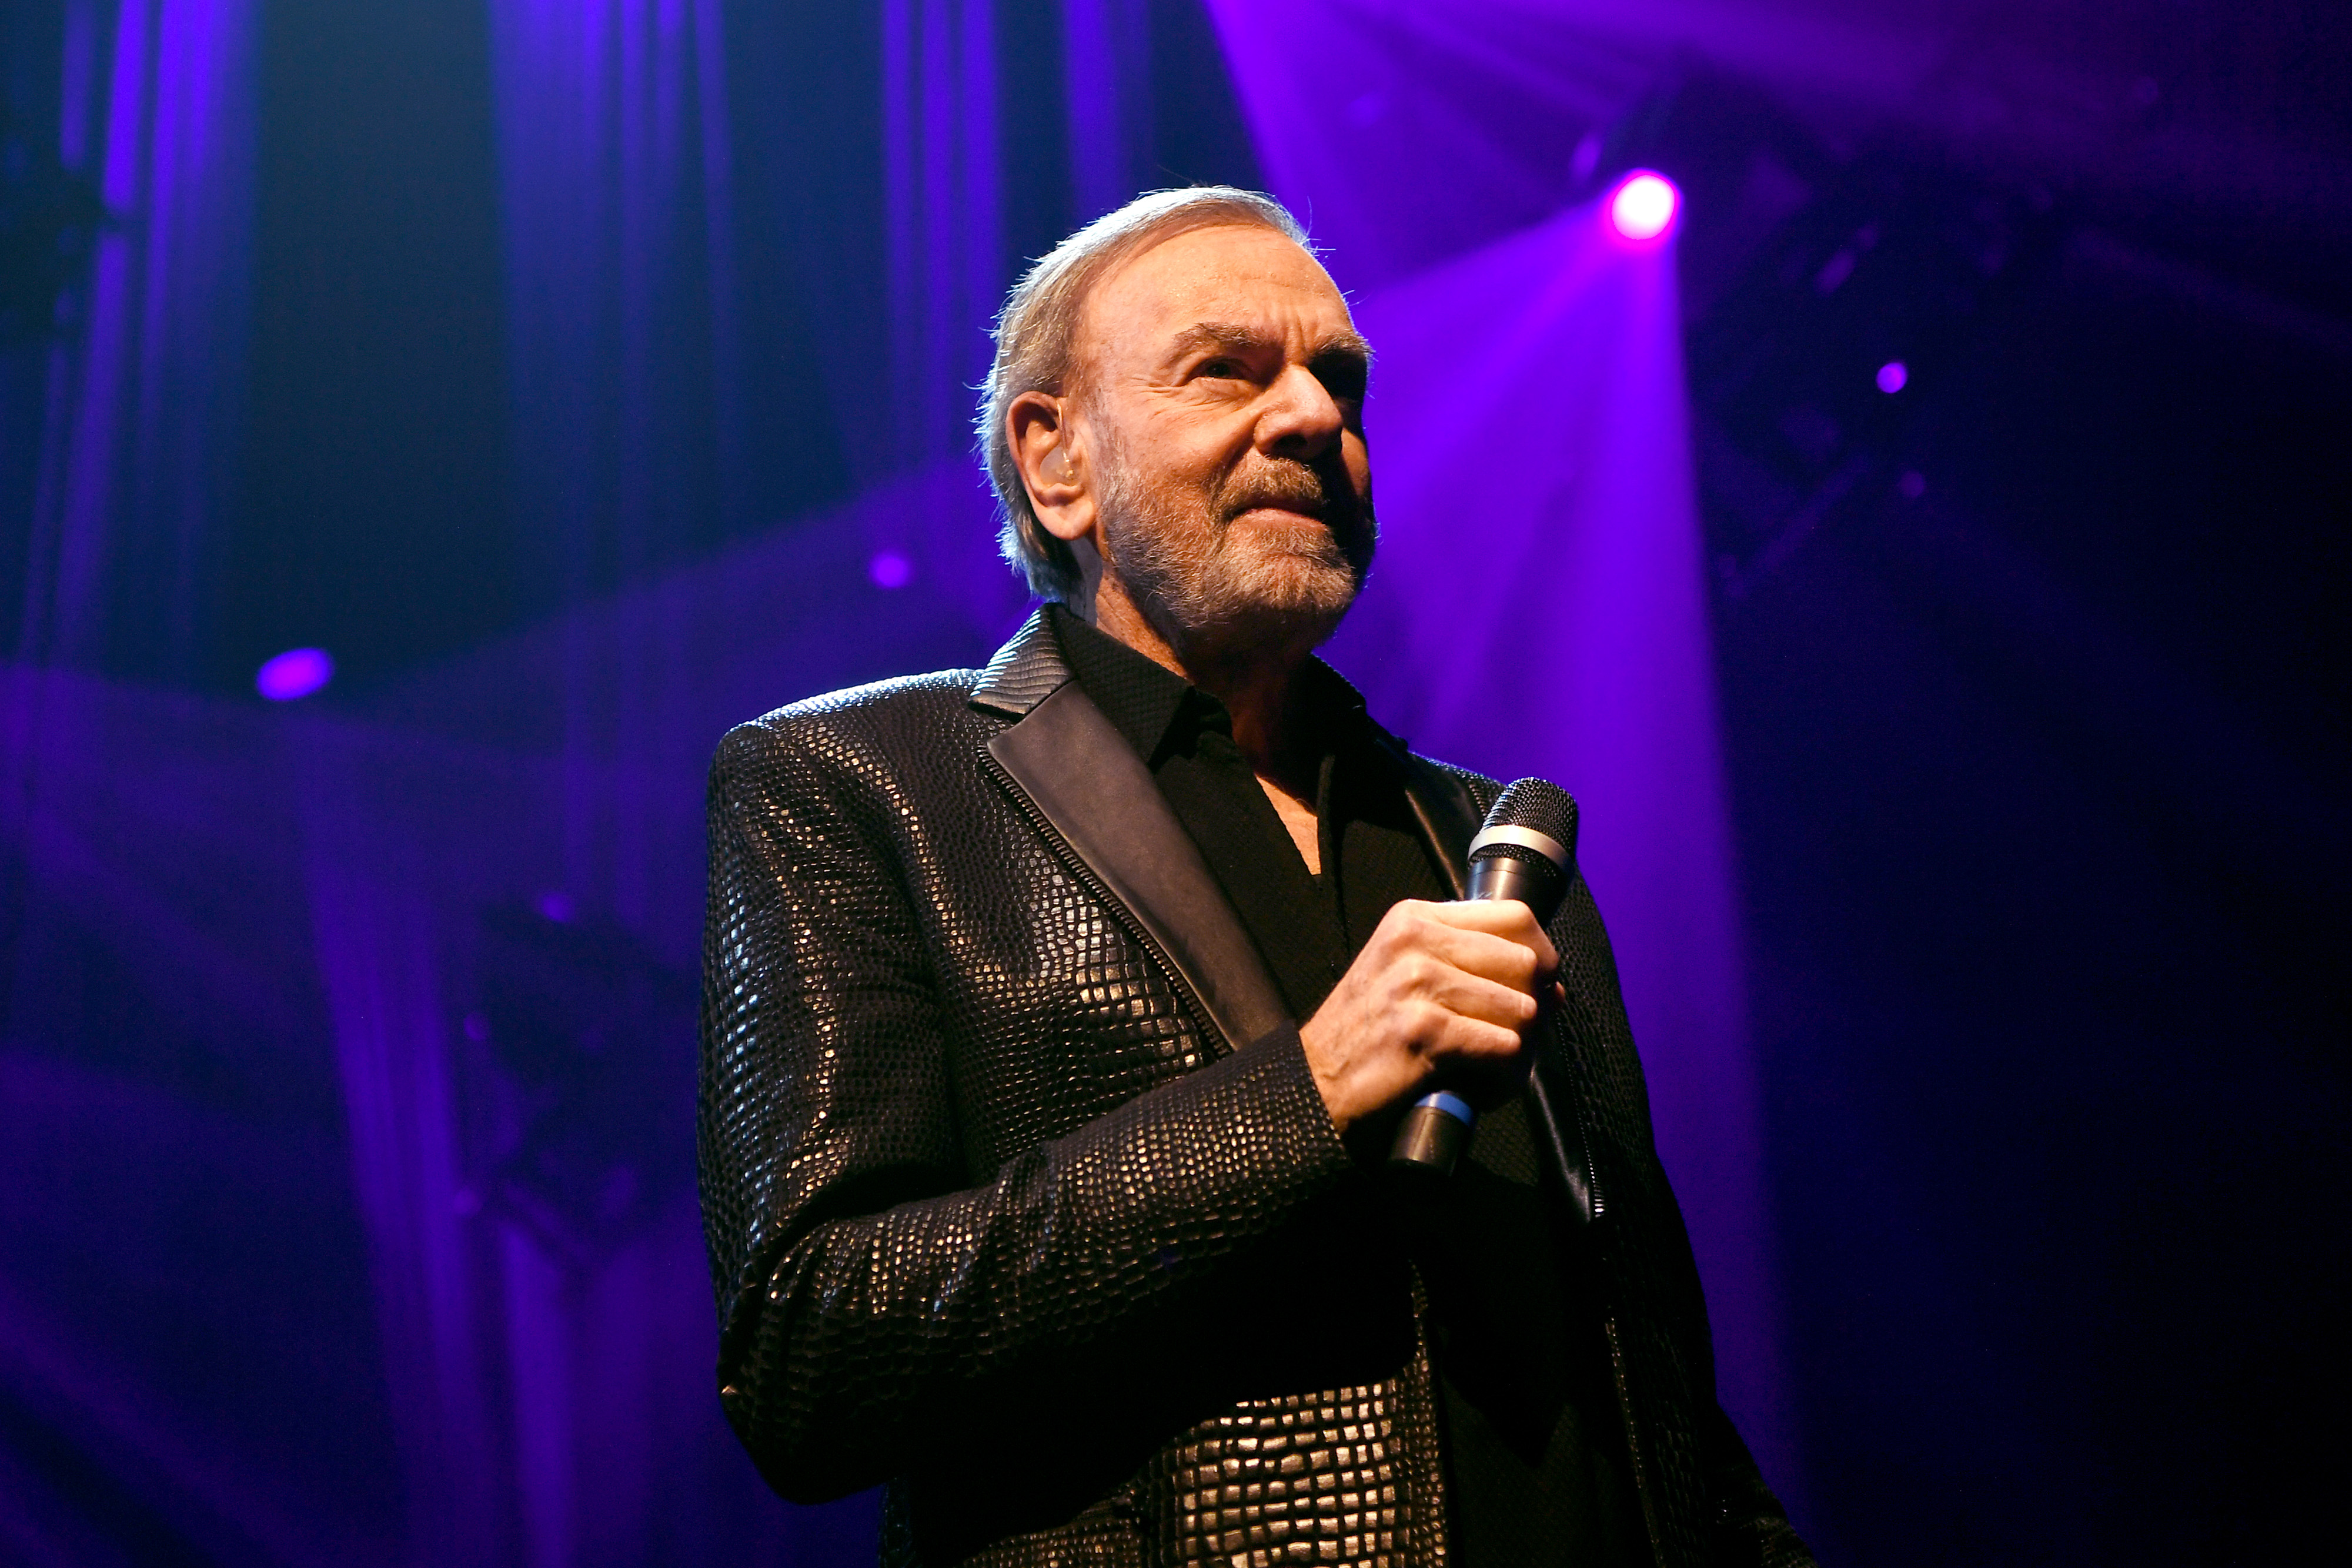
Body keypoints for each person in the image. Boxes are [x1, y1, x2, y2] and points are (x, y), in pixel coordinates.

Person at [697, 186, 1813, 1568]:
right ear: (1056, 464)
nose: (1309, 419)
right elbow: (813, 1356)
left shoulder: (1490, 849)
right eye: (1226, 369)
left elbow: (1652, 1396)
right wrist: (1303, 1093)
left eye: (1337, 382)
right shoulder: (862, 785)